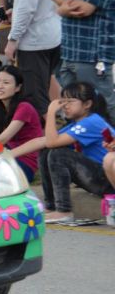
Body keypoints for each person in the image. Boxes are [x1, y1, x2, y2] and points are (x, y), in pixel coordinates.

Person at [40, 82, 115, 222]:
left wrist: (50, 112)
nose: (64, 105)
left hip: (110, 181)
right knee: (46, 152)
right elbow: (43, 141)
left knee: (58, 154)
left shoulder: (91, 122)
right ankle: (51, 207)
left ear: (87, 104)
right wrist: (9, 155)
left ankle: (64, 211)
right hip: (101, 177)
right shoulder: (78, 123)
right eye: (63, 101)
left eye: (70, 101)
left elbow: (51, 142)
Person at [0, 65, 44, 182]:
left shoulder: (24, 107)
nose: (0, 86)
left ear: (18, 87)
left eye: (6, 83)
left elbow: (2, 140)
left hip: (24, 162)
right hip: (7, 154)